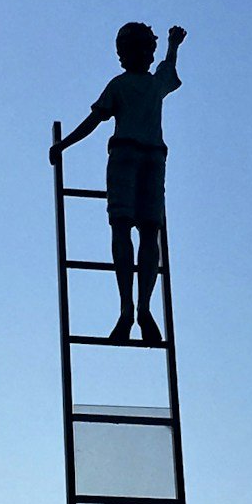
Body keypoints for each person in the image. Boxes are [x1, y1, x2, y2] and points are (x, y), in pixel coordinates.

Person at [52, 21, 186, 343]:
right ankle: (128, 308)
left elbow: (169, 69)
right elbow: (95, 119)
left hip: (151, 160)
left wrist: (173, 44)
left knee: (149, 232)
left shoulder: (154, 85)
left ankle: (142, 308)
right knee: (123, 229)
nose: (144, 55)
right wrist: (64, 145)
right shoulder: (121, 85)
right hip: (128, 159)